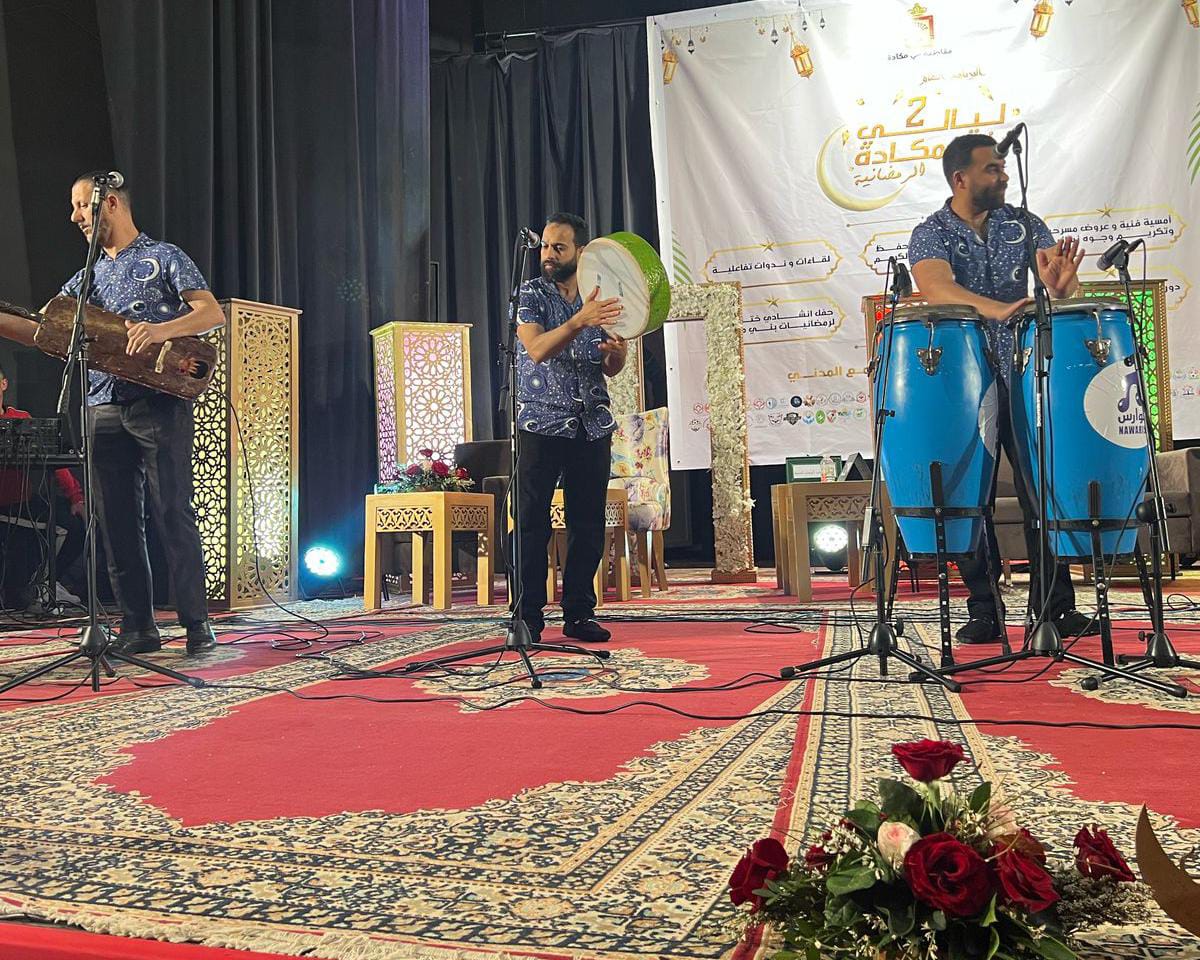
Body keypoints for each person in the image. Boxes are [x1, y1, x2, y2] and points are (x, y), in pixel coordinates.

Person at [908, 133, 1097, 644]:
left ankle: (1055, 607)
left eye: (1003, 168)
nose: (1004, 176)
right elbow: (937, 288)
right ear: (960, 178)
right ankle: (985, 609)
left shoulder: (1025, 224)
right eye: (992, 169)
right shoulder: (931, 233)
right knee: (972, 497)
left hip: (1028, 372)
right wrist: (1000, 310)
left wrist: (1062, 290)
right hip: (964, 381)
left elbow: (1062, 284)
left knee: (1042, 487)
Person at [59, 171, 224, 654]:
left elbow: (211, 312)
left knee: (172, 511)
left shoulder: (164, 256)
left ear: (110, 202)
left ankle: (196, 623)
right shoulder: (85, 278)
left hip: (158, 402)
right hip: (101, 403)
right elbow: (47, 325)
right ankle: (138, 627)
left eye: (82, 205)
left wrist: (161, 330)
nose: (75, 217)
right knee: (115, 521)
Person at [514, 212, 628, 643]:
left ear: (581, 251)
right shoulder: (531, 294)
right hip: (541, 422)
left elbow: (609, 367)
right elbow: (536, 348)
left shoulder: (601, 295)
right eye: (545, 246)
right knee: (531, 523)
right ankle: (527, 616)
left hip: (591, 424)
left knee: (587, 524)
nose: (548, 254)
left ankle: (579, 614)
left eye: (558, 247)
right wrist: (579, 320)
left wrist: (616, 354)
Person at [0, 365, 85, 609]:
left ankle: (46, 583)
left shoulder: (21, 418)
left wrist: (75, 497)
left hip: (23, 502)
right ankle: (37, 586)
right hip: (5, 506)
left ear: (4, 384)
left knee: (77, 525)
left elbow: (52, 461)